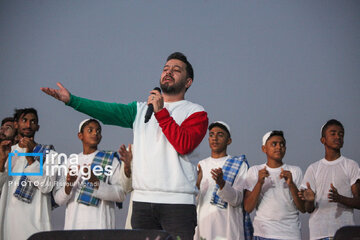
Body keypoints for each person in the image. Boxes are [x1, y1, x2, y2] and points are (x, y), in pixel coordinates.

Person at [41, 52, 208, 239]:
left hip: (178, 203)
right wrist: (72, 101)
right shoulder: (140, 109)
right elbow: (106, 111)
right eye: (165, 69)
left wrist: (161, 113)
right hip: (142, 203)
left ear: (188, 82)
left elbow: (183, 145)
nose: (168, 72)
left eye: (176, 70)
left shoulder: (195, 112)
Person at [54, 119, 132, 229]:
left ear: (100, 137)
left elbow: (120, 194)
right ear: (80, 135)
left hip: (100, 225)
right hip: (74, 225)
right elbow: (58, 199)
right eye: (90, 130)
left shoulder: (110, 160)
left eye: (98, 131)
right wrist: (69, 184)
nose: (95, 133)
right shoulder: (70, 162)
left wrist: (95, 181)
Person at [0, 108, 59, 240]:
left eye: (33, 121)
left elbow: (47, 186)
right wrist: (2, 161)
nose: (28, 125)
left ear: (37, 127)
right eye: (24, 120)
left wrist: (31, 156)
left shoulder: (50, 154)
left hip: (37, 224)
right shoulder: (5, 151)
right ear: (16, 124)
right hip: (9, 223)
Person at [298, 119, 360, 240]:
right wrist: (310, 200)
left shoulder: (351, 165)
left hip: (344, 233)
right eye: (333, 133)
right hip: (319, 234)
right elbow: (308, 209)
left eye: (341, 134)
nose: (338, 137)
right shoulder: (314, 168)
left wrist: (340, 198)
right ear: (323, 140)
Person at [194, 121, 251, 240]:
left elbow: (237, 199)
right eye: (211, 135)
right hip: (204, 228)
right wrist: (196, 185)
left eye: (220, 135)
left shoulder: (239, 165)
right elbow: (194, 202)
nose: (214, 138)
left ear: (229, 141)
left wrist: (222, 184)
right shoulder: (201, 165)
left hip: (229, 230)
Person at [243, 130, 304, 240]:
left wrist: (291, 185)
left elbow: (303, 208)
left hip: (291, 234)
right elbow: (248, 207)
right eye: (274, 144)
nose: (279, 147)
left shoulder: (295, 171)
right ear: (264, 149)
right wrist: (259, 183)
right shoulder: (254, 171)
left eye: (282, 144)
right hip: (263, 233)